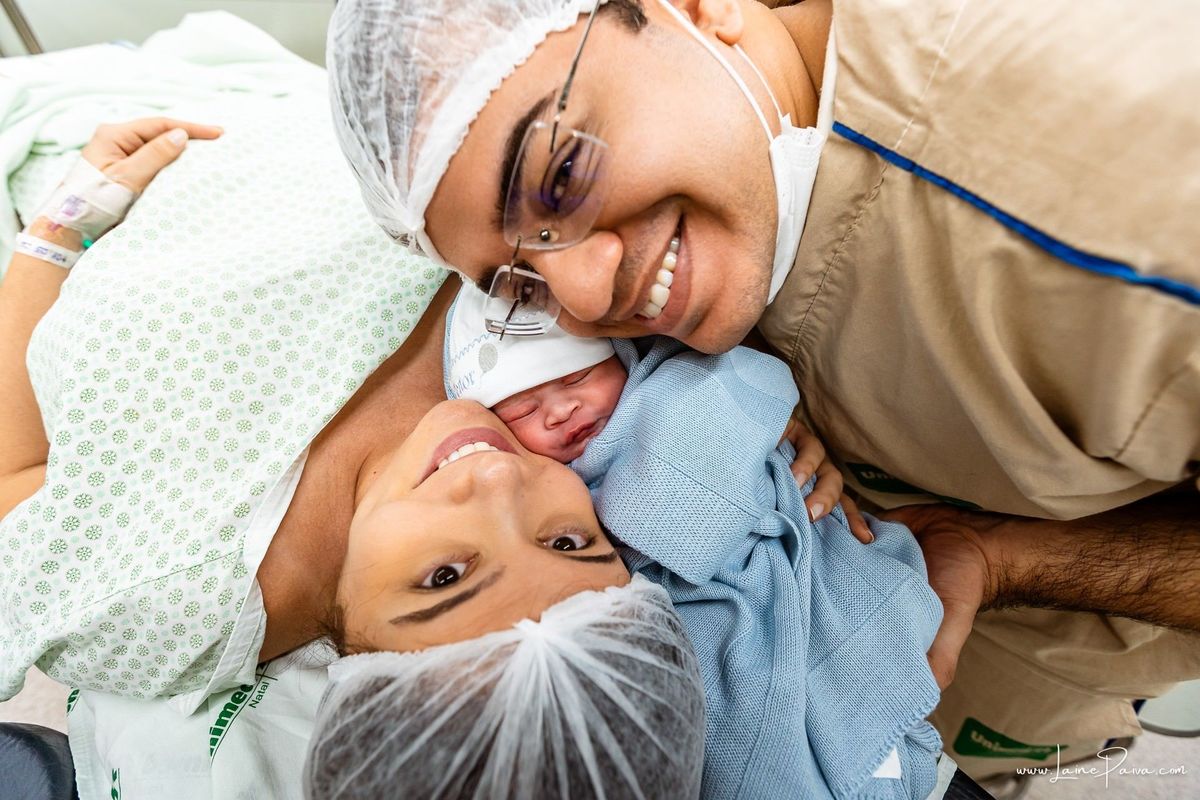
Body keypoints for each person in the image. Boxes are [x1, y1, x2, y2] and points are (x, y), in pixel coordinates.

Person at [327, 0, 1200, 765]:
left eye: (560, 176)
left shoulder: (1122, 240)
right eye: (521, 283)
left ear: (697, 6)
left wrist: (1011, 560)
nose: (585, 299)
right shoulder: (740, 146)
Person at [0, 114, 695, 778]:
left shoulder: (166, 599)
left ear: (351, 662)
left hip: (115, 172)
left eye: (445, 577)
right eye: (569, 544)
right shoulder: (574, 408)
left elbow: (12, 483)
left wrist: (62, 226)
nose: (497, 484)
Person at [442, 281, 947, 798]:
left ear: (621, 356)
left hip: (790, 568)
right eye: (522, 411)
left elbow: (742, 393)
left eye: (576, 376)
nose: (560, 410)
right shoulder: (545, 492)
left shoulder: (681, 389)